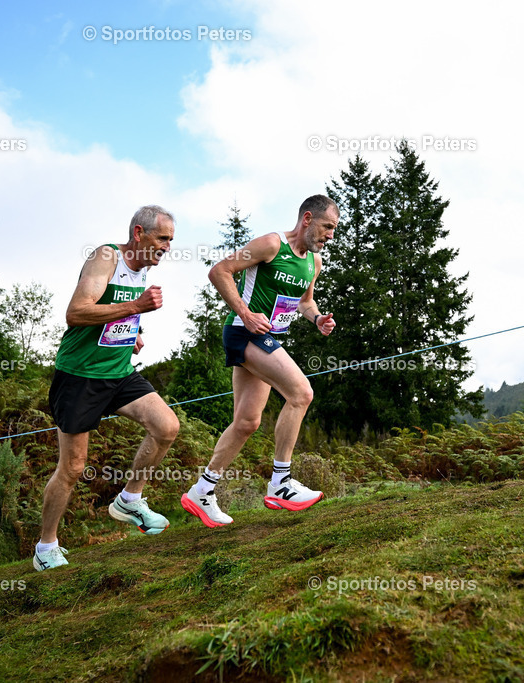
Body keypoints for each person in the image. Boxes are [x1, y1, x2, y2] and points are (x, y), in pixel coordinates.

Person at [34, 205, 180, 571]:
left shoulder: (143, 266)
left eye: (171, 241)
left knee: (167, 427)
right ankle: (45, 547)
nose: (167, 247)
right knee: (72, 468)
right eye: (162, 238)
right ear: (138, 234)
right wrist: (136, 306)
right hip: (80, 376)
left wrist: (134, 332)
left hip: (118, 372)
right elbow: (77, 312)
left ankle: (130, 499)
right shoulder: (106, 257)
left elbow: (114, 312)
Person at [181, 195, 338, 527]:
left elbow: (304, 302)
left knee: (247, 423)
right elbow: (220, 271)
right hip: (244, 332)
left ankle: (201, 490)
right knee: (301, 393)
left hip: (266, 338)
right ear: (307, 219)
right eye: (327, 227)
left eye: (334, 230)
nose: (330, 236)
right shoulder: (270, 244)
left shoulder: (314, 263)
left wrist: (317, 318)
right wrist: (245, 312)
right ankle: (281, 483)